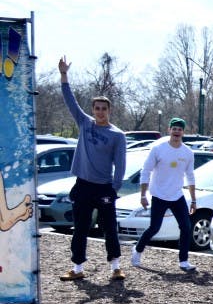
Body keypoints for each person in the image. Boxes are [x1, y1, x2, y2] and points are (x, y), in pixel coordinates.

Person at [58, 57, 128, 282]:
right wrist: (64, 76)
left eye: (103, 109)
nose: (99, 112)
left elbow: (121, 165)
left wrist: (114, 189)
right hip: (83, 186)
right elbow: (70, 101)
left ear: (109, 110)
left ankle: (116, 267)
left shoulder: (117, 135)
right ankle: (77, 269)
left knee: (109, 229)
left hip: (105, 188)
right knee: (80, 228)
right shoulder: (85, 123)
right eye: (96, 108)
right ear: (92, 110)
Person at [130, 118, 198, 272]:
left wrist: (193, 200)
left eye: (179, 129)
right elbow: (146, 171)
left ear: (183, 132)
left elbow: (190, 176)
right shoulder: (158, 148)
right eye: (174, 129)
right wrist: (143, 195)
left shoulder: (187, 152)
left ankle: (184, 261)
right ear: (169, 130)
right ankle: (137, 250)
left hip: (177, 195)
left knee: (186, 227)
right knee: (154, 228)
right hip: (159, 194)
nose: (176, 132)